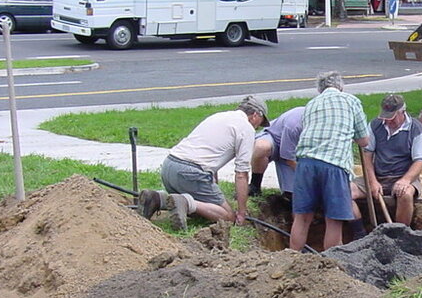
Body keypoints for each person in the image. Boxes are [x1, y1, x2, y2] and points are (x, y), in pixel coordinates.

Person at [137, 95, 269, 230]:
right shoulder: (246, 128)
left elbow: (213, 158)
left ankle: (157, 199)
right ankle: (185, 202)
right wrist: (241, 213)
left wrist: (213, 190)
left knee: (204, 209)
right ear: (255, 115)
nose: (258, 126)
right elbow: (242, 174)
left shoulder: (220, 116)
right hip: (190, 173)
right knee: (227, 216)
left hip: (169, 166)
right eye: (261, 122)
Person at [290, 72, 369, 251]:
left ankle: (291, 260)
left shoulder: (311, 104)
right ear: (341, 87)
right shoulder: (350, 100)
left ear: (320, 89)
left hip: (305, 163)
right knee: (333, 219)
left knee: (302, 217)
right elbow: (364, 140)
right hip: (334, 164)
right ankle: (329, 269)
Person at [351, 94, 422, 228]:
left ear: (402, 112)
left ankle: (400, 234)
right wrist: (373, 182)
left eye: (391, 118)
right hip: (379, 176)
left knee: (405, 195)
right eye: (385, 117)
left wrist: (405, 180)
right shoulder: (375, 125)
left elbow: (420, 161)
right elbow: (367, 155)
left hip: (403, 177)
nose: (387, 121)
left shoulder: (416, 128)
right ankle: (359, 232)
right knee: (345, 192)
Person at [249, 105, 305, 198]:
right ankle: (255, 185)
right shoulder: (294, 124)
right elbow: (289, 159)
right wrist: (307, 175)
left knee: (293, 197)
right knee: (262, 147)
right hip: (275, 140)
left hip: (293, 151)